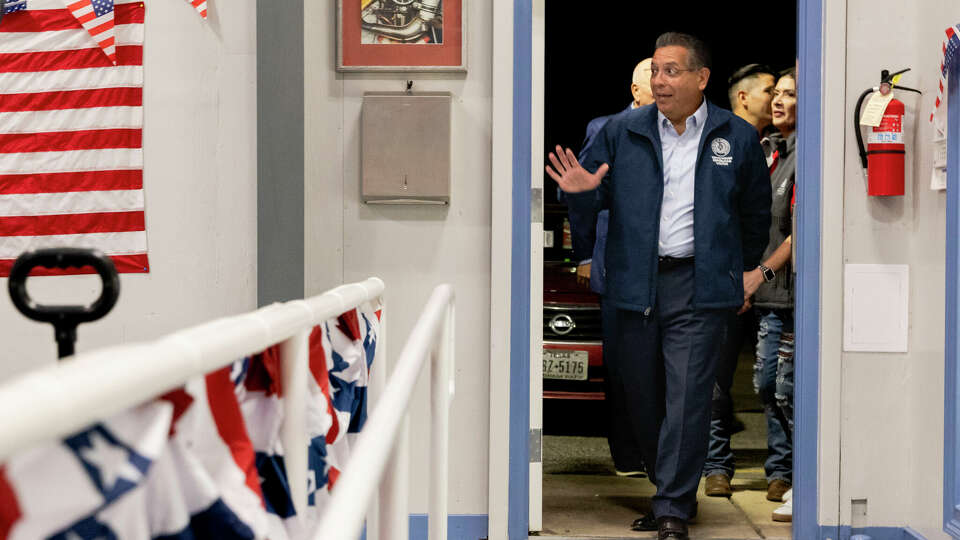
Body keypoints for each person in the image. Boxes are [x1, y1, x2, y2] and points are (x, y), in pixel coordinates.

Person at [546, 32, 772, 540]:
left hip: (698, 285)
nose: (660, 80)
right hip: (634, 283)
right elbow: (588, 195)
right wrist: (579, 194)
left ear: (701, 78)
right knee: (640, 397)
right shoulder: (621, 130)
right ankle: (664, 484)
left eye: (671, 71)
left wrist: (743, 269)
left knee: (689, 397)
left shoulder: (734, 136)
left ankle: (672, 505)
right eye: (655, 72)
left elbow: (755, 213)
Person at [568, 58, 654, 478]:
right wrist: (584, 255)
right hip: (617, 263)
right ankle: (627, 455)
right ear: (635, 91)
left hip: (663, 266)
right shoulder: (607, 127)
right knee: (621, 365)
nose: (662, 88)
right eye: (652, 82)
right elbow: (581, 194)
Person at [702, 63, 778, 499]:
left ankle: (781, 471)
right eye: (770, 90)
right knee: (715, 379)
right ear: (744, 98)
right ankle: (717, 466)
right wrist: (736, 277)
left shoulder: (789, 146)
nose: (780, 99)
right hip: (732, 281)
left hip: (778, 283)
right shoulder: (720, 143)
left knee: (775, 383)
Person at [740, 68, 797, 522]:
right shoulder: (768, 151)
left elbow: (799, 229)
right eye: (775, 93)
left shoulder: (805, 154)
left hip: (791, 294)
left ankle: (794, 473)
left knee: (787, 388)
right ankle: (781, 469)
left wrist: (760, 272)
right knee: (765, 386)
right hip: (767, 295)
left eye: (790, 94)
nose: (778, 101)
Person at [727, 63, 777, 137]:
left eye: (776, 93)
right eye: (769, 91)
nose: (777, 99)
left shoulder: (780, 142)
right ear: (743, 98)